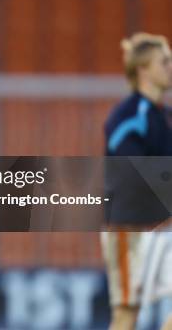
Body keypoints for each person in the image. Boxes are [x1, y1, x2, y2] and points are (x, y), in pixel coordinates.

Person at [102, 32, 172, 330]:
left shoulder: (164, 116)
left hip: (161, 228)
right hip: (130, 228)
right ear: (144, 69)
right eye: (165, 61)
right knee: (127, 313)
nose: (170, 67)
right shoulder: (129, 114)